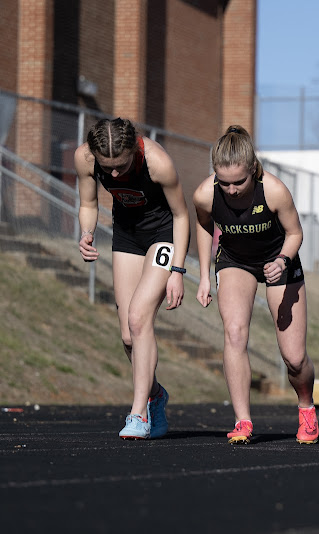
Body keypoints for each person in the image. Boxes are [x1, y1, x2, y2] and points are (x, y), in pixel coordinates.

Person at [194, 125, 318, 445]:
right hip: (236, 261)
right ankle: (243, 420)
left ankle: (306, 405)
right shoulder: (205, 194)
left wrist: (283, 261)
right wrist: (205, 276)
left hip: (279, 261)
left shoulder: (274, 190)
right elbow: (204, 225)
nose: (232, 190)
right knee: (234, 333)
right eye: (224, 183)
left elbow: (295, 233)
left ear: (253, 168)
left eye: (239, 182)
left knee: (294, 358)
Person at [75, 117, 190, 439]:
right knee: (128, 335)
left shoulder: (157, 162)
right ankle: (155, 393)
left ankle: (138, 413)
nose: (113, 174)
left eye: (121, 166)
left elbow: (182, 215)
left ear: (133, 149)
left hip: (163, 234)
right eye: (106, 167)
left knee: (140, 318)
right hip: (126, 236)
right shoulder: (84, 157)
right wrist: (86, 233)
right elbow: (88, 202)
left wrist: (178, 271)